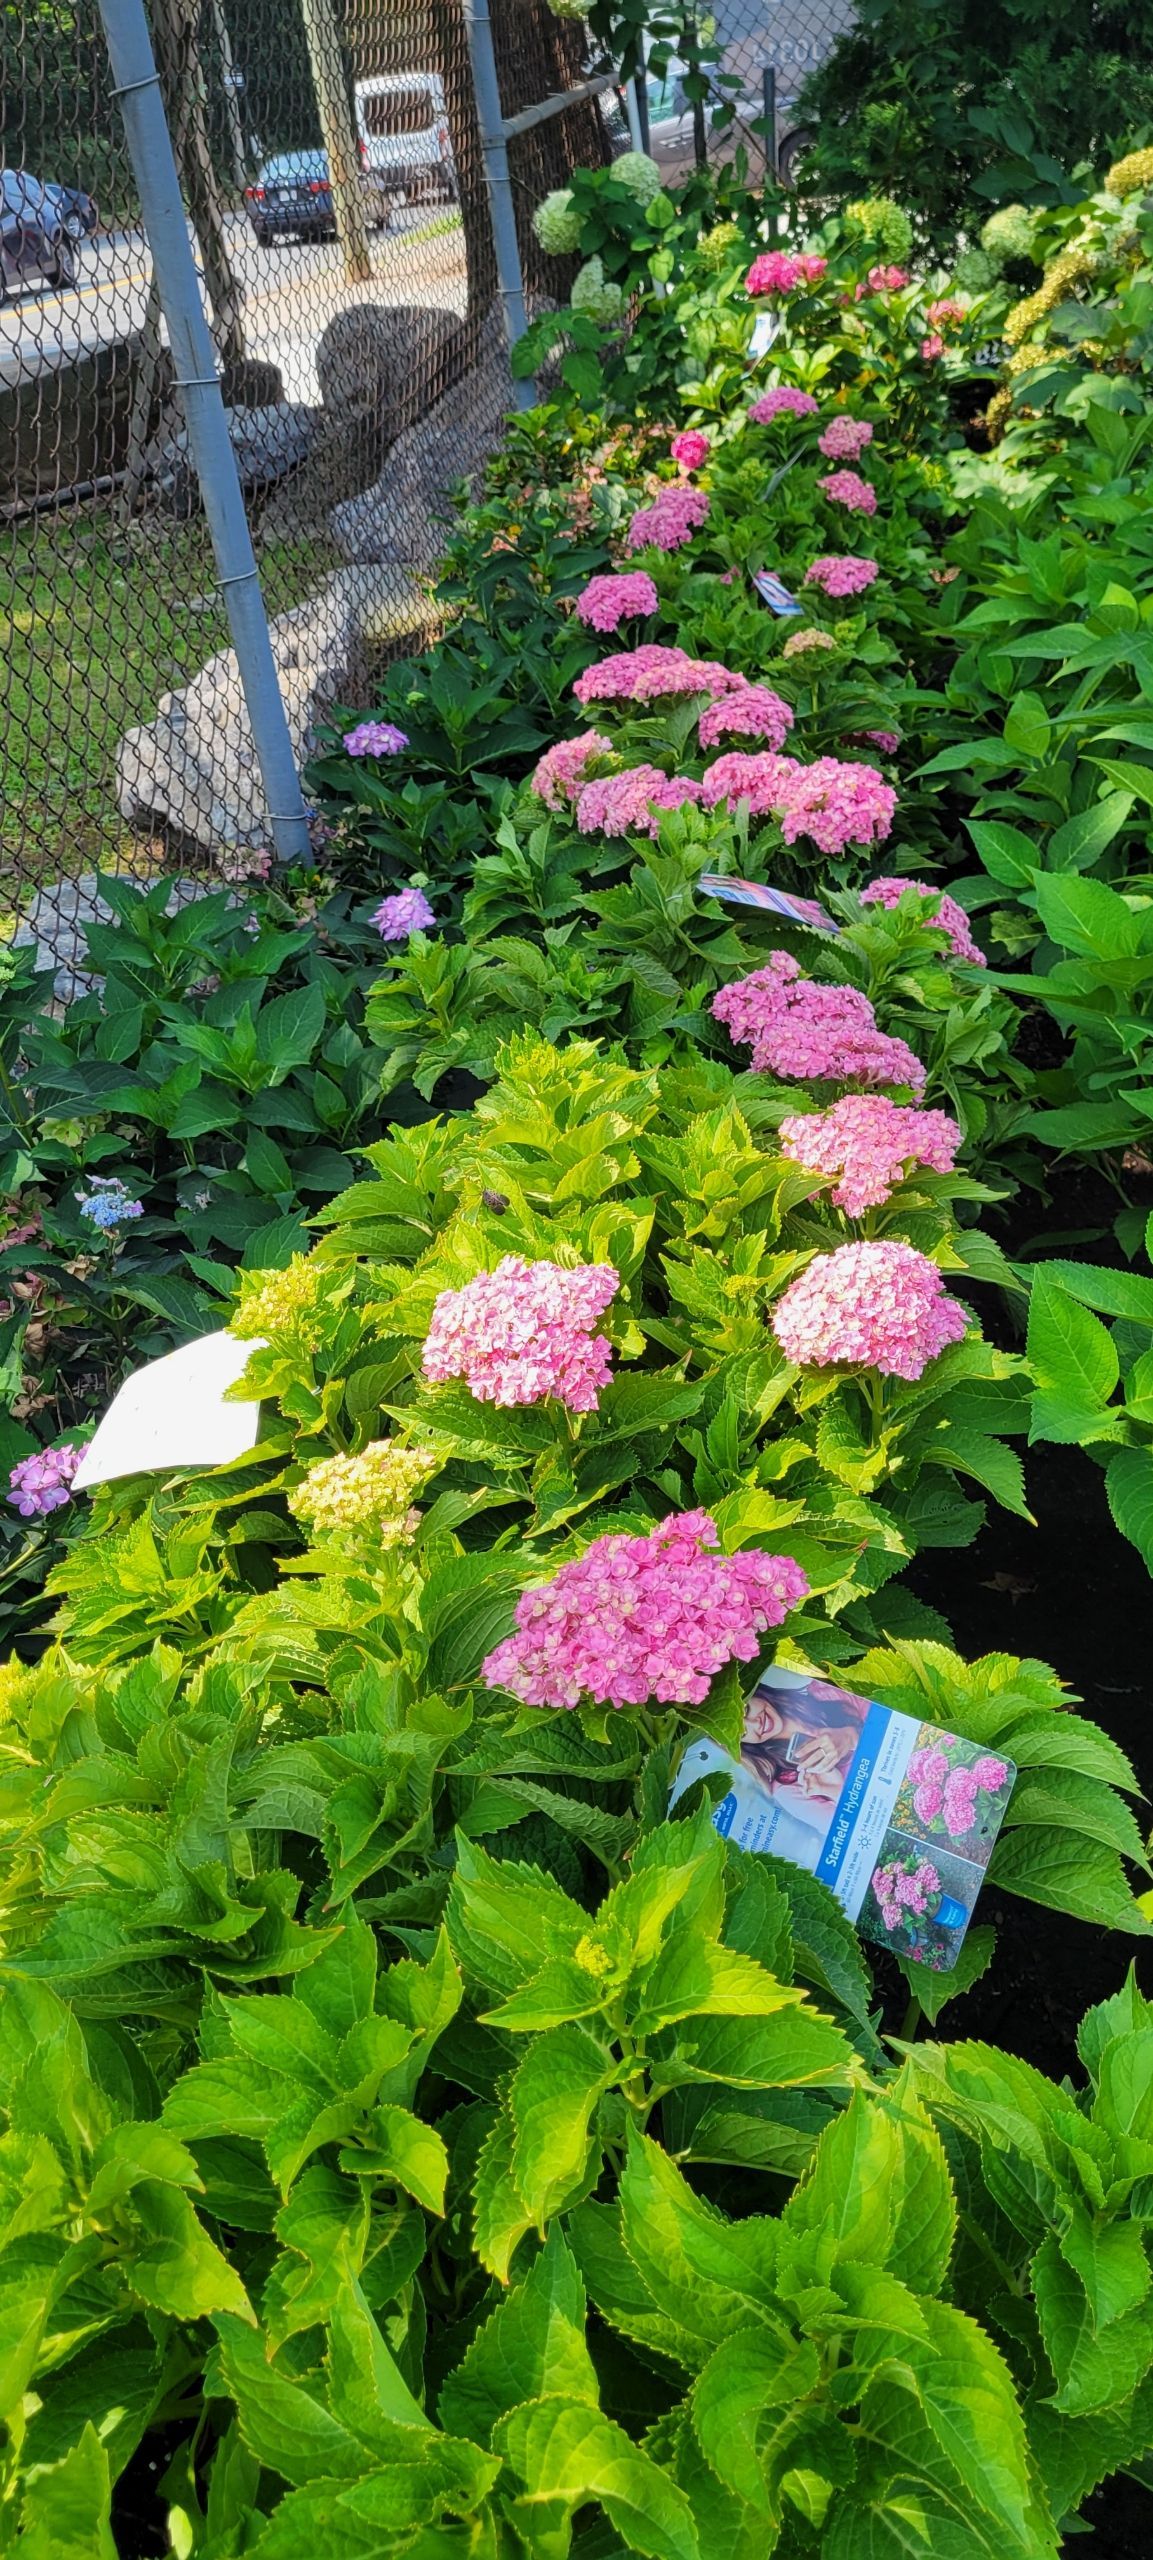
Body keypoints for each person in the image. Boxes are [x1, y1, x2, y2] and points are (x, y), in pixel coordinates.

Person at [740, 1669, 868, 1809]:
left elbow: (889, 1715)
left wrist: (851, 1737)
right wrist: (834, 1790)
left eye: (746, 1710)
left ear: (754, 1692)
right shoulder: (788, 1786)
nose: (756, 1723)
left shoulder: (825, 1691)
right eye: (743, 1732)